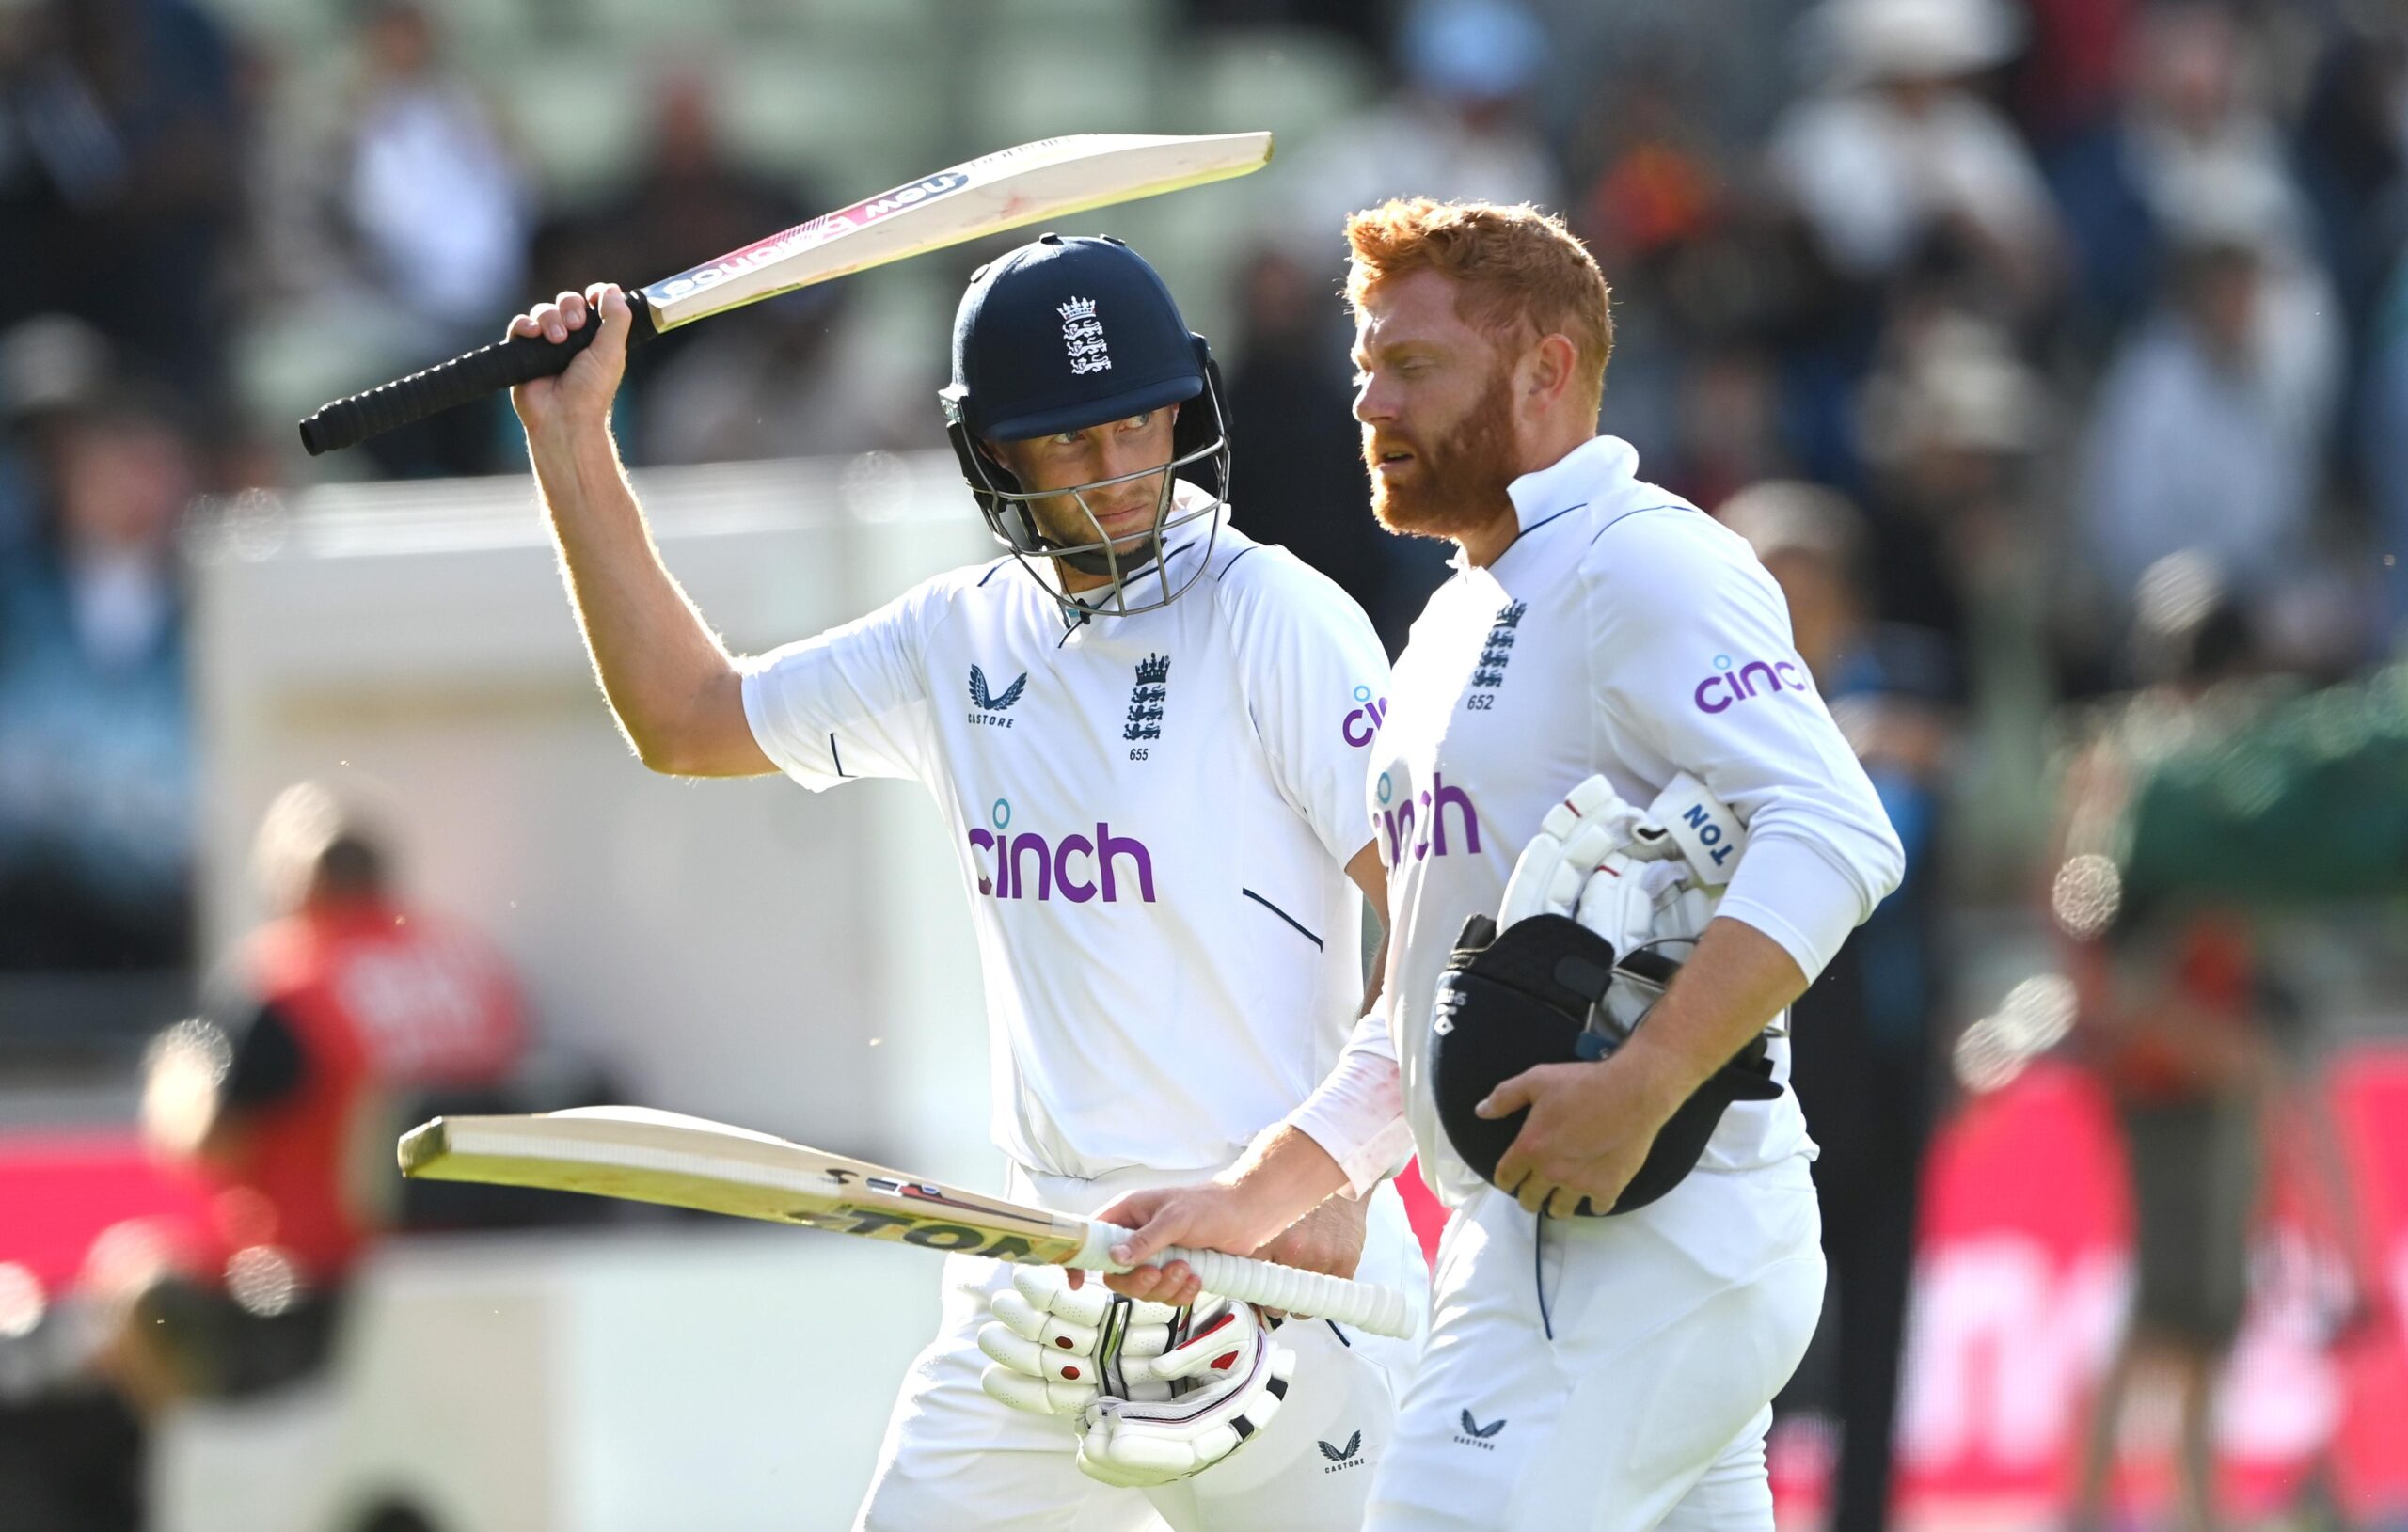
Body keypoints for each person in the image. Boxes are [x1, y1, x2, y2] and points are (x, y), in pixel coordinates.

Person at [503, 232, 1421, 1529]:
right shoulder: (958, 635)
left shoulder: (1282, 620)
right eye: (1070, 445)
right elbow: (686, 718)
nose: (1122, 480)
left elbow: (1446, 928)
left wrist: (1322, 1179)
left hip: (1278, 1269)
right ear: (993, 455)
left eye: (1140, 425)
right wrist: (573, 439)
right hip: (1041, 1277)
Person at [1099, 199, 1905, 1532]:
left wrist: (1645, 1080)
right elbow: (1421, 1008)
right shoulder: (1455, 619)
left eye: (1412, 365)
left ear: (1546, 371)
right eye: (1365, 361)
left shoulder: (1646, 561)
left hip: (1636, 1242)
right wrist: (1254, 1197)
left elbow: (1835, 829)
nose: (1367, 398)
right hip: (1581, 1241)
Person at [99, 782, 529, 1409]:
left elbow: (209, 1144)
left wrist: (174, 1075)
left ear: (293, 883)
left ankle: (200, 1459)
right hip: (471, 1268)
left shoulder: (291, 983)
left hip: (322, 1287)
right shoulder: (472, 964)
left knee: (136, 1275)